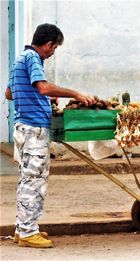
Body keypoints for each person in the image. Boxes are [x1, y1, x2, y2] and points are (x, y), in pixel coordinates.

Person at [5, 23, 95, 248]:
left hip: (23, 129)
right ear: (48, 44)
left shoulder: (19, 59)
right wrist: (74, 93)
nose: (53, 52)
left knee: (28, 179)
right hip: (33, 130)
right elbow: (43, 88)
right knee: (35, 181)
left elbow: (9, 93)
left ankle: (23, 228)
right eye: (54, 48)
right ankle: (27, 233)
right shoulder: (33, 59)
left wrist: (41, 99)